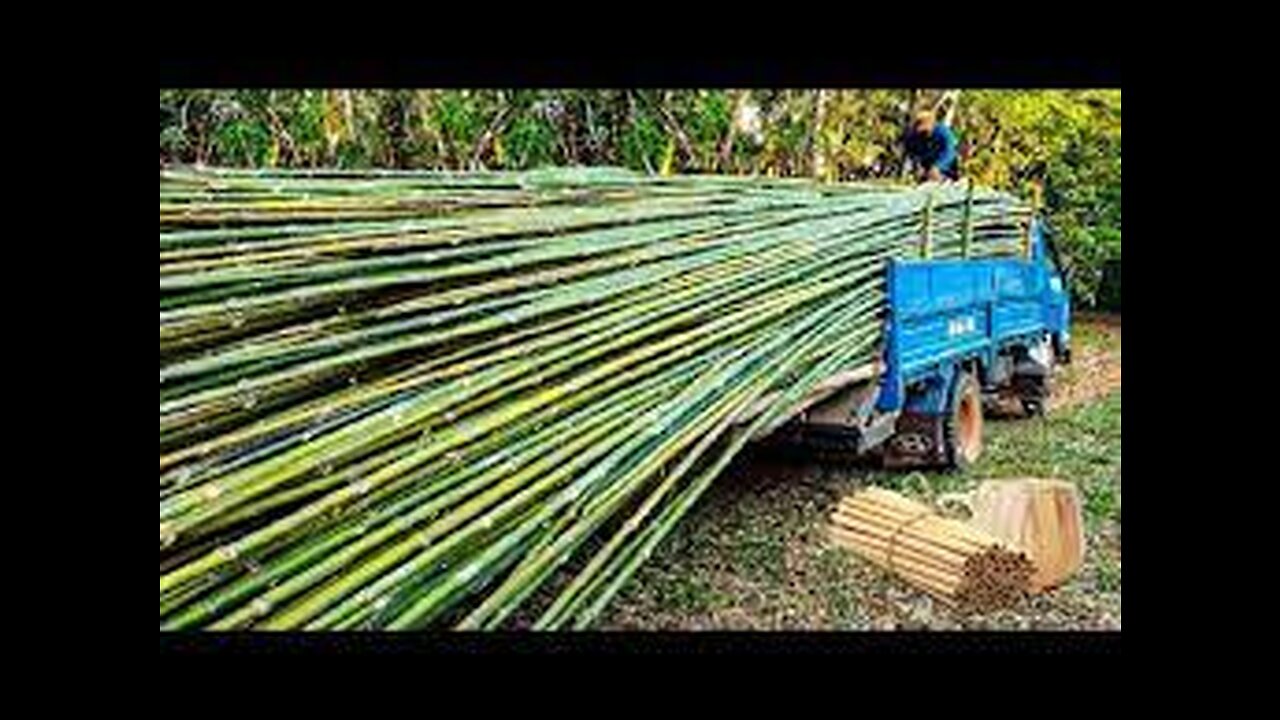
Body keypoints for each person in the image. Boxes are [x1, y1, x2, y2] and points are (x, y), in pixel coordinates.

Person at [904, 110, 960, 182]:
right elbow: (911, 153)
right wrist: (917, 166)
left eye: (925, 130)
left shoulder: (944, 132)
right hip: (926, 164)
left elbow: (950, 152)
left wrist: (938, 167)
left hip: (947, 167)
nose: (921, 133)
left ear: (931, 124)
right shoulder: (913, 136)